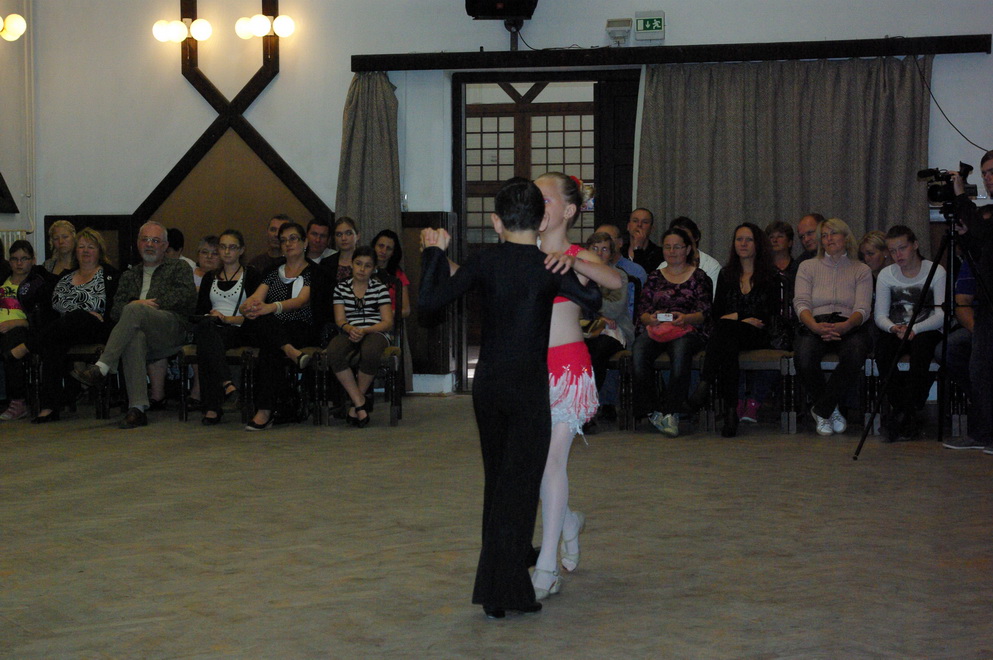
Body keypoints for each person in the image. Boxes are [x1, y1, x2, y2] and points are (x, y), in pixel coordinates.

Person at [417, 177, 598, 620]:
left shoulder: (485, 261)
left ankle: (503, 588)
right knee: (518, 490)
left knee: (498, 483)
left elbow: (429, 303)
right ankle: (502, 590)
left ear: (497, 222)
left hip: (488, 386)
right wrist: (570, 262)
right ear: (540, 222)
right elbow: (593, 299)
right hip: (527, 389)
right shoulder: (547, 265)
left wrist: (434, 253)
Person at [533, 172, 624, 601]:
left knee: (552, 462)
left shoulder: (576, 253)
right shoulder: (522, 251)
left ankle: (546, 566)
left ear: (569, 210)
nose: (537, 204)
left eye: (545, 198)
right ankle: (567, 520)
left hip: (568, 368)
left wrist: (575, 263)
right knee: (536, 464)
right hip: (529, 370)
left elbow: (615, 281)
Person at [72, 222, 197, 429]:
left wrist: (146, 305)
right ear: (138, 243)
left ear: (165, 245)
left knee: (133, 309)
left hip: (171, 328)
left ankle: (102, 367)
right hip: (140, 333)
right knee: (134, 337)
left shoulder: (178, 267)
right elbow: (115, 311)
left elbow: (186, 297)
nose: (150, 244)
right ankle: (137, 409)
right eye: (145, 240)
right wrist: (136, 306)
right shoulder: (129, 275)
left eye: (155, 240)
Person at [6, 229, 119, 423]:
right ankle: (50, 407)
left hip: (97, 328)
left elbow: (115, 309)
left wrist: (85, 314)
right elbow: (51, 307)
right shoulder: (66, 276)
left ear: (99, 251)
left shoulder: (110, 275)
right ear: (76, 251)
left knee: (75, 318)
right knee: (53, 342)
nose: (85, 251)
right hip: (65, 328)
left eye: (90, 247)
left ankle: (28, 346)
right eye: (81, 247)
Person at [688, 223, 780, 437]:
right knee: (727, 344)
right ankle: (731, 412)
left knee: (724, 331)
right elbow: (717, 312)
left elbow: (766, 314)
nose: (743, 244)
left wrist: (735, 316)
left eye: (749, 239)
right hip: (731, 334)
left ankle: (706, 383)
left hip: (759, 334)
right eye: (739, 239)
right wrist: (743, 318)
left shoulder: (770, 275)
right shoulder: (726, 274)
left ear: (758, 244)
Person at [793, 217, 873, 436]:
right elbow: (801, 303)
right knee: (804, 356)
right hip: (815, 322)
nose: (828, 239)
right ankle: (831, 409)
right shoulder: (807, 267)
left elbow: (863, 308)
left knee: (856, 353)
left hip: (849, 323)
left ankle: (822, 409)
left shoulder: (861, 269)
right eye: (824, 236)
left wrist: (846, 326)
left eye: (833, 234)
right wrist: (815, 327)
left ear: (846, 237)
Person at [632, 226, 712, 437]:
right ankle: (653, 410)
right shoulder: (654, 277)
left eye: (677, 247)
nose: (672, 251)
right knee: (638, 351)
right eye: (667, 247)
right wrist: (651, 318)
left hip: (688, 329)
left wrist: (685, 318)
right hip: (657, 329)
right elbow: (642, 311)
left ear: (687, 249)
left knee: (681, 351)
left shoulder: (699, 276)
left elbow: (704, 312)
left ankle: (672, 411)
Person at [240, 221, 317, 431]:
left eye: (293, 239)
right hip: (273, 326)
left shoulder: (313, 271)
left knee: (269, 343)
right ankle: (290, 351)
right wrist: (247, 307)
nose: (288, 244)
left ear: (305, 242)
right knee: (266, 327)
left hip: (300, 326)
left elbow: (301, 301)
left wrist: (271, 307)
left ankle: (264, 411)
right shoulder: (273, 271)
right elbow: (257, 297)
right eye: (283, 240)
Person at [873, 225, 945, 442]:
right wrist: (893, 328)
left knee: (921, 350)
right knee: (883, 351)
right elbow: (880, 315)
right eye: (892, 251)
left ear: (915, 245)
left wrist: (915, 329)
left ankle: (904, 413)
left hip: (927, 328)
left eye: (902, 248)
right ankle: (904, 411)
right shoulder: (886, 275)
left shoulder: (936, 272)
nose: (898, 255)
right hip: (898, 329)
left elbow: (941, 315)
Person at [943, 150, 993, 452]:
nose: (987, 178)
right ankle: (981, 433)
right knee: (980, 370)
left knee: (984, 368)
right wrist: (964, 235)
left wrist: (961, 195)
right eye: (984, 173)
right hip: (986, 304)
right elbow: (980, 252)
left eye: (992, 172)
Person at [192, 229, 263, 425]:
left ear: (241, 250)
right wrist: (213, 318)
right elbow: (201, 311)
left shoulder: (251, 275)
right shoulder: (209, 278)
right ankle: (227, 383)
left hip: (240, 328)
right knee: (207, 332)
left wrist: (227, 319)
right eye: (223, 247)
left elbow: (256, 314)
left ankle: (212, 407)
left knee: (206, 342)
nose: (226, 251)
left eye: (232, 247)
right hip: (213, 327)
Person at [327, 246, 394, 427]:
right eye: (358, 263)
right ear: (352, 264)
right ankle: (358, 401)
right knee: (334, 351)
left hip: (376, 331)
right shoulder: (341, 288)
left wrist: (365, 331)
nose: (362, 269)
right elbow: (340, 319)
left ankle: (355, 405)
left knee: (370, 351)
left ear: (374, 269)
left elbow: (388, 322)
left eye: (367, 265)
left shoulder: (380, 289)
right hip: (349, 331)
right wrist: (350, 329)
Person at [582, 231, 633, 432]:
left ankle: (588, 409)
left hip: (613, 329)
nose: (599, 253)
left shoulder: (618, 275)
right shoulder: (579, 273)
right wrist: (597, 315)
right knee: (577, 352)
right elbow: (572, 305)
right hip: (584, 327)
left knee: (596, 353)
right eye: (594, 248)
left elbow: (614, 309)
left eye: (604, 249)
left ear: (611, 254)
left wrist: (593, 310)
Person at [0, 241, 55, 421]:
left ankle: (18, 402)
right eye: (14, 259)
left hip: (22, 329)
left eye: (24, 259)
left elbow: (42, 320)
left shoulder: (37, 284)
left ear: (33, 260)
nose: (19, 263)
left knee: (12, 343)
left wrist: (16, 322)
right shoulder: (3, 279)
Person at [665, 217, 722, 297]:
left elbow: (713, 298)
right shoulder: (663, 266)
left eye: (684, 235)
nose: (680, 240)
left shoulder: (712, 266)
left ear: (696, 237)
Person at [371, 229, 411, 320]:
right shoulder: (364, 270)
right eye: (381, 246)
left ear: (393, 252)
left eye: (388, 248)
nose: (383, 251)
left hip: (389, 320)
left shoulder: (399, 274)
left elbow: (406, 310)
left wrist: (384, 314)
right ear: (374, 246)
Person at [329, 217, 360, 284]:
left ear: (357, 236)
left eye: (348, 233)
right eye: (339, 234)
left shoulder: (367, 262)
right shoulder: (326, 264)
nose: (343, 238)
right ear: (334, 238)